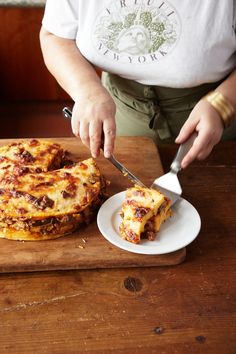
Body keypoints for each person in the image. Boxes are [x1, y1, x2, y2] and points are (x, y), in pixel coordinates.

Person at [40, 0, 236, 168]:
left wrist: (223, 103)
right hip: (117, 117)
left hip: (218, 121)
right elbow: (55, 36)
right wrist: (88, 92)